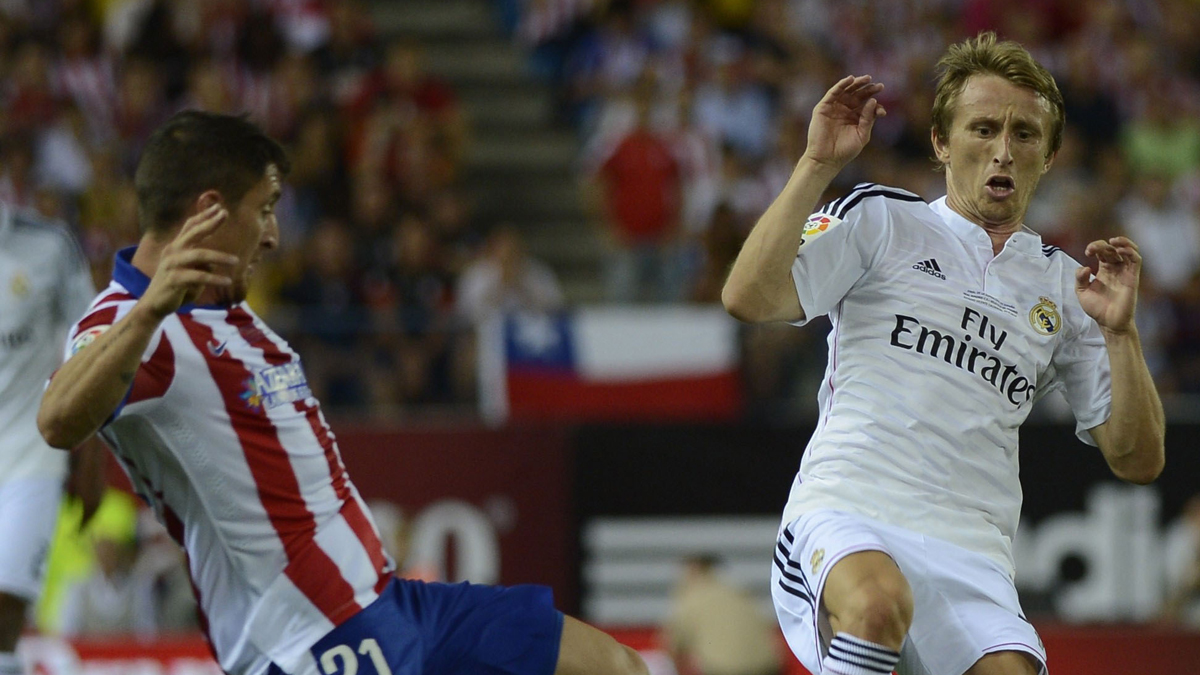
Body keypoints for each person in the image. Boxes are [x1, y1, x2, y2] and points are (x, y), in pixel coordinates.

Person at [37, 111, 648, 675]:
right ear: (210, 211)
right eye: (266, 207)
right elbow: (58, 418)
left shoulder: (223, 304)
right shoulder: (133, 320)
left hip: (391, 602)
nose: (273, 235)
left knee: (616, 666)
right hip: (311, 642)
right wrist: (149, 311)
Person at [721, 33, 1164, 675]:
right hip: (850, 509)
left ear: (1051, 154)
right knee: (876, 608)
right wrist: (817, 164)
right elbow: (748, 297)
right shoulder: (880, 221)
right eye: (982, 129)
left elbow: (1139, 459)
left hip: (971, 550)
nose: (1003, 150)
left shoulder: (1072, 292)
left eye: (1025, 134)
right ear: (941, 142)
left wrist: (1122, 336)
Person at [0, 201, 98, 675]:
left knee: (5, 606)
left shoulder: (48, 246)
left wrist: (93, 453)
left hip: (30, 452)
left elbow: (94, 341)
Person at [662, 555, 783, 675]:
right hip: (766, 667)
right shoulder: (740, 592)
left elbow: (673, 646)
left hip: (724, 669)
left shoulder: (691, 598)